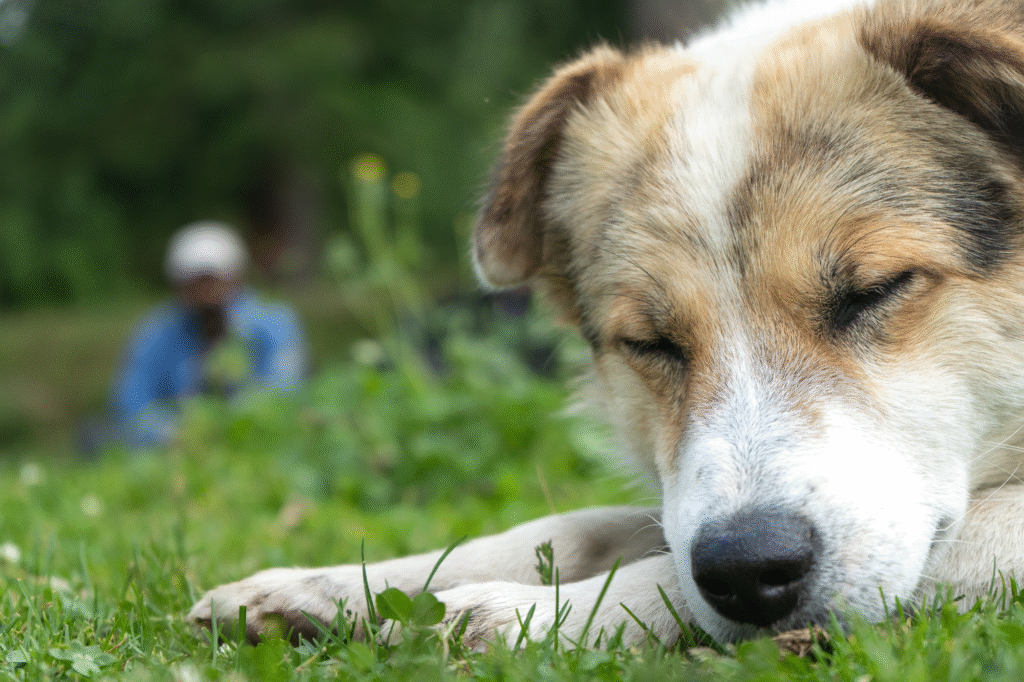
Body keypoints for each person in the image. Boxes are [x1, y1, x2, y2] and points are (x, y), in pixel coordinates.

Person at [109, 221, 308, 448]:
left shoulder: (274, 323)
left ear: (236, 277)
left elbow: (283, 392)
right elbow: (131, 404)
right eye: (195, 281)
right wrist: (172, 432)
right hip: (174, 451)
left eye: (213, 279)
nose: (205, 291)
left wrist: (224, 428)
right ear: (178, 284)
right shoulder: (156, 332)